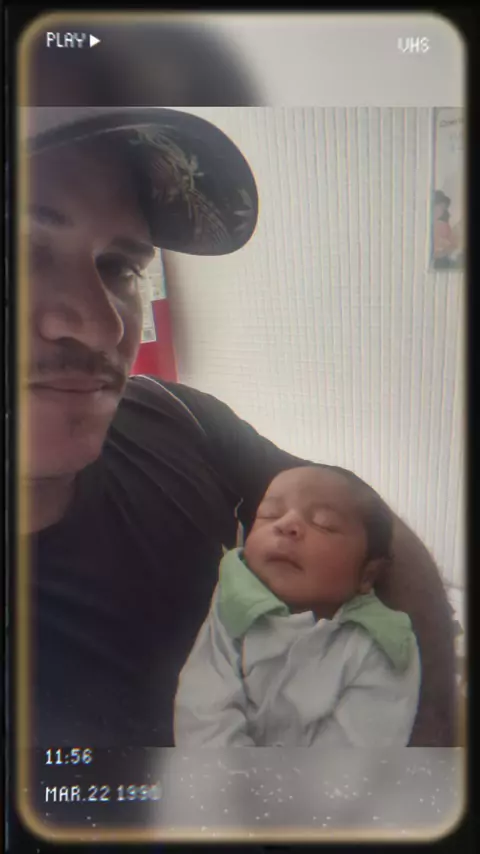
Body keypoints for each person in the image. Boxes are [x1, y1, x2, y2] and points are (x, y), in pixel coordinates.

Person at [20, 105, 457, 752]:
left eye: (118, 268)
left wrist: (431, 736)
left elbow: (363, 517)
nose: (104, 327)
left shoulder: (175, 416)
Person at [174, 465, 421, 747]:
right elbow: (204, 708)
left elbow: (357, 754)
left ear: (367, 575)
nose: (285, 524)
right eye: (269, 514)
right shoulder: (235, 604)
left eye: (324, 523)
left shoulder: (381, 645)